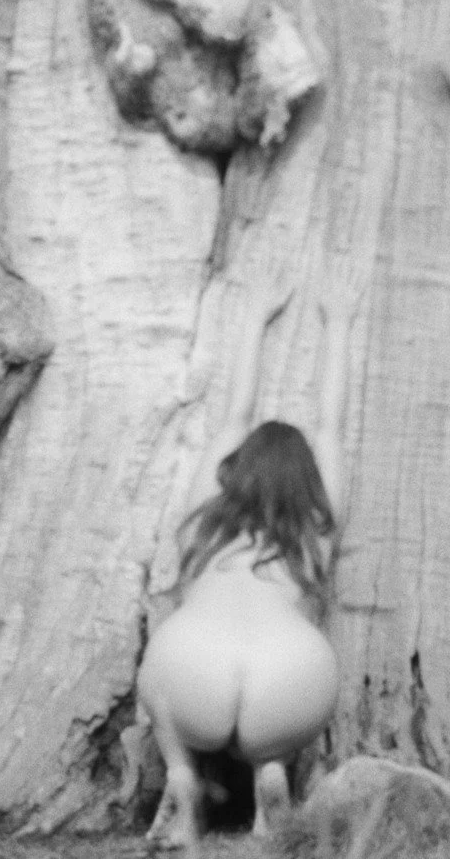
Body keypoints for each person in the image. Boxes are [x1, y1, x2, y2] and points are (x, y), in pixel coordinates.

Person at [132, 300, 351, 848]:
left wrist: (253, 323)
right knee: (268, 732)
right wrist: (340, 328)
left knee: (160, 678)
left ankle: (182, 775)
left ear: (237, 468)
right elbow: (331, 426)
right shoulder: (315, 525)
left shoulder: (210, 516)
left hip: (192, 669)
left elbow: (233, 416)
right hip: (288, 679)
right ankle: (269, 767)